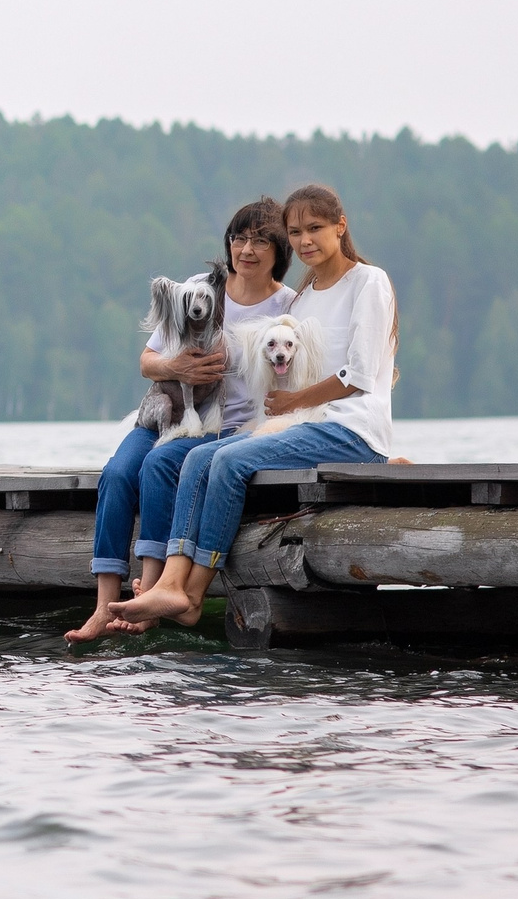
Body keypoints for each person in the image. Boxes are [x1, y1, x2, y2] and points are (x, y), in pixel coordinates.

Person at [110, 183, 397, 629]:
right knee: (200, 457)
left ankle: (192, 593)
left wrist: (293, 401)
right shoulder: (306, 296)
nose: (305, 241)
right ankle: (170, 581)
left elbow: (358, 376)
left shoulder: (368, 281)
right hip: (302, 423)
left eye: (315, 229)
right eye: (297, 231)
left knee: (226, 459)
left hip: (349, 428)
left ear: (341, 226)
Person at [65, 198, 298, 642]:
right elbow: (147, 361)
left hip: (228, 427)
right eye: (238, 238)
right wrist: (179, 368)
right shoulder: (199, 289)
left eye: (260, 241)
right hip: (168, 411)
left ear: (279, 250)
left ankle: (149, 594)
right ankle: (101, 607)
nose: (246, 249)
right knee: (116, 473)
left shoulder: (289, 306)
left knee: (158, 465)